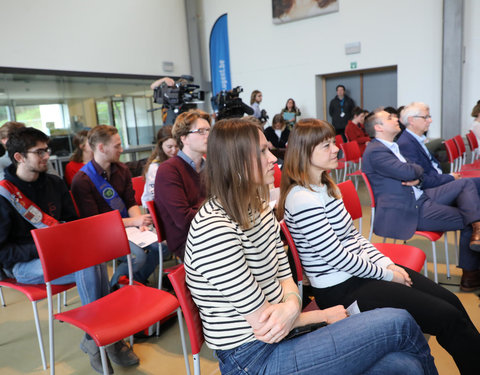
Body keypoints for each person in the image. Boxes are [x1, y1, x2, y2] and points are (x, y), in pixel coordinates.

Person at [185, 118, 437, 375]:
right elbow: (265, 323)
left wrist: (291, 306)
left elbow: (285, 275)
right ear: (234, 164)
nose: (273, 159)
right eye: (262, 151)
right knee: (400, 322)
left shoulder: (258, 209)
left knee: (406, 366)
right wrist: (321, 316)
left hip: (286, 334)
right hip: (253, 357)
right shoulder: (214, 231)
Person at [278, 118, 480, 374]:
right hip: (340, 288)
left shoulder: (326, 187)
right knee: (447, 318)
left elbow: (354, 237)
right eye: (326, 145)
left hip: (360, 274)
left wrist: (387, 264)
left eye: (333, 143)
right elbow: (336, 257)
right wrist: (387, 274)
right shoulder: (302, 199)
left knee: (452, 302)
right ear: (305, 152)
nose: (335, 149)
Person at [0, 127, 138, 374]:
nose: (47, 156)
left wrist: (64, 242)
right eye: (39, 152)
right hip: (24, 265)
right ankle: (108, 337)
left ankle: (95, 338)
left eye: (47, 149)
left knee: (92, 260)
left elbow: (73, 223)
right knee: (88, 263)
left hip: (65, 255)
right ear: (19, 157)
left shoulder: (54, 183)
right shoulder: (4, 195)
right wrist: (45, 246)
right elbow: (3, 253)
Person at [362, 110, 480, 292]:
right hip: (409, 209)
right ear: (378, 127)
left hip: (420, 196)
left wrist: (415, 174)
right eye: (390, 118)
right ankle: (470, 277)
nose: (396, 119)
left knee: (466, 184)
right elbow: (412, 171)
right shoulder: (376, 151)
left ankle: (477, 227)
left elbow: (417, 172)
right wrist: (415, 173)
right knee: (469, 218)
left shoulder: (390, 146)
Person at [71, 125, 159, 286]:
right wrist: (134, 222)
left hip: (128, 227)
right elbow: (95, 222)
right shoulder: (82, 180)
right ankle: (115, 285)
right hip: (101, 234)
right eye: (117, 146)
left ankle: (136, 281)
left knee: (161, 246)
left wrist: (140, 222)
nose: (122, 150)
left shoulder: (122, 169)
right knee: (137, 257)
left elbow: (130, 202)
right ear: (101, 148)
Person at [154, 109, 210, 261]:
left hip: (213, 232)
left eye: (209, 130)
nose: (208, 135)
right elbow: (184, 220)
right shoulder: (169, 170)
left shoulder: (210, 166)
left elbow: (224, 203)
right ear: (184, 138)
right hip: (189, 242)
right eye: (201, 131)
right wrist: (216, 209)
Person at [140, 125, 178, 207]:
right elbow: (154, 195)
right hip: (155, 206)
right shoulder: (154, 167)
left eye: (176, 146)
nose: (174, 151)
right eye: (169, 147)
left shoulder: (179, 161)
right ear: (161, 146)